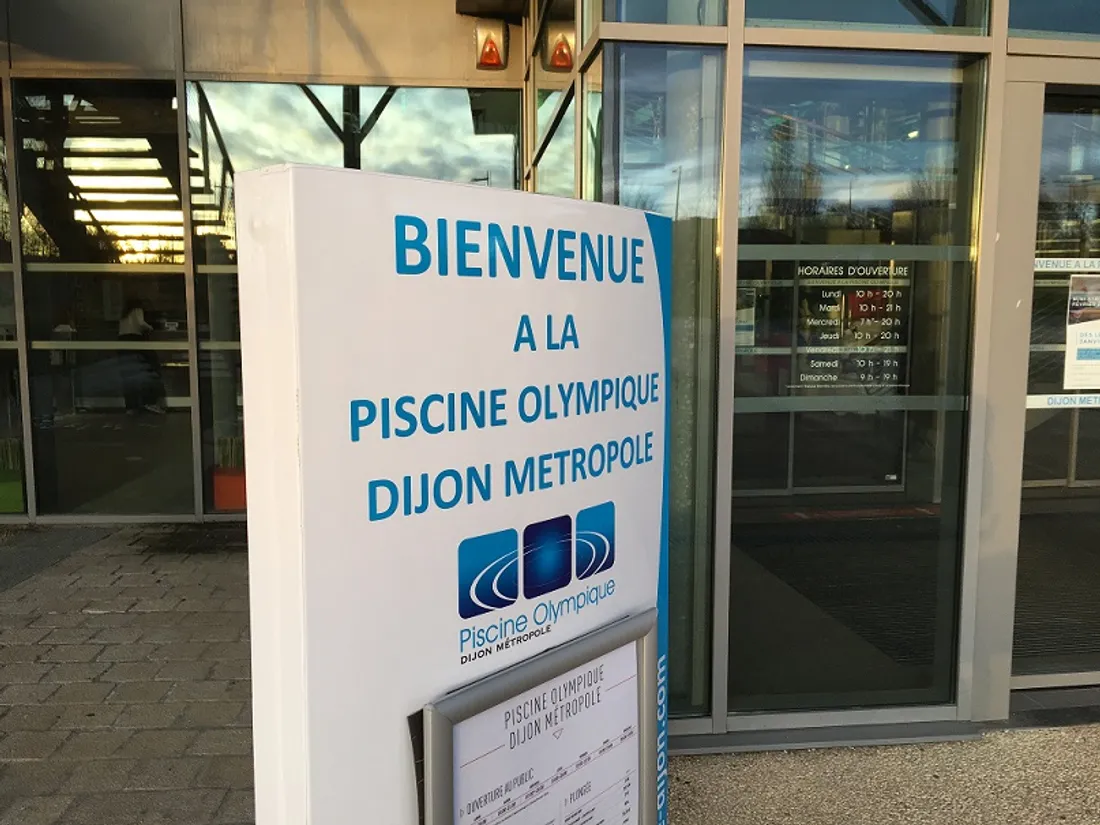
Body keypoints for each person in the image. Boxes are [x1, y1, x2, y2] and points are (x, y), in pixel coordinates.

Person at [118, 302, 166, 414]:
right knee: (149, 368)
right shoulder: (137, 309)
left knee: (128, 374)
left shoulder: (124, 316)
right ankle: (150, 402)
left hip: (122, 341)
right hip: (134, 339)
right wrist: (151, 327)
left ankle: (131, 406)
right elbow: (140, 323)